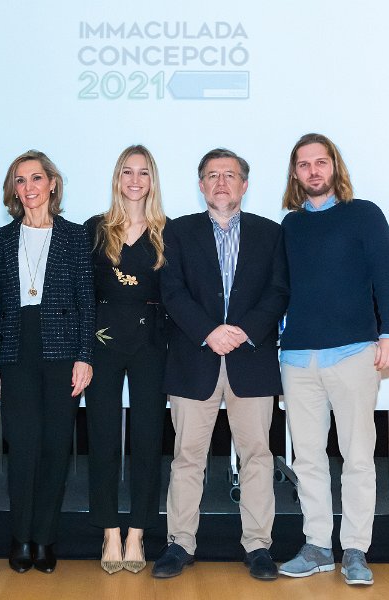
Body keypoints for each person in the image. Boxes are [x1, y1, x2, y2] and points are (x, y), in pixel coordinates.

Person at [153, 148, 288, 580]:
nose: (221, 182)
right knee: (187, 457)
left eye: (230, 175)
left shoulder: (270, 233)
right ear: (201, 185)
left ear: (244, 185)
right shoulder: (177, 231)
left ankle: (258, 545)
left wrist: (243, 331)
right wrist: (209, 331)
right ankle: (180, 543)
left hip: (252, 359)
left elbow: (278, 291)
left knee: (257, 456)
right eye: (212, 175)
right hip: (195, 358)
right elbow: (172, 291)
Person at [277, 133, 389, 586]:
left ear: (334, 166)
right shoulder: (290, 226)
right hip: (297, 359)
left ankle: (354, 551)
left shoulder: (364, 214)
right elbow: (282, 290)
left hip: (354, 354)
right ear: (295, 173)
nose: (313, 171)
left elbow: (386, 275)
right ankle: (316, 547)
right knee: (308, 459)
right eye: (304, 164)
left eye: (321, 162)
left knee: (357, 457)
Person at [0, 149, 95, 574]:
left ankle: (45, 538)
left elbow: (87, 302)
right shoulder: (0, 239)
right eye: (20, 180)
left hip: (62, 352)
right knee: (23, 447)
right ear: (13, 189)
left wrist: (85, 356)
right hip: (16, 350)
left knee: (55, 447)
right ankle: (21, 537)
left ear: (52, 183)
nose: (28, 187)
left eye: (36, 178)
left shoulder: (75, 236)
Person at [84, 145, 168, 575]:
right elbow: (82, 292)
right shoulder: (95, 229)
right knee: (101, 435)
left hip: (151, 343)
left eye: (143, 173)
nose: (135, 180)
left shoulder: (167, 232)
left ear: (153, 180)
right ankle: (109, 531)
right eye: (127, 172)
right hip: (102, 341)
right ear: (117, 178)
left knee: (148, 436)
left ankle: (137, 531)